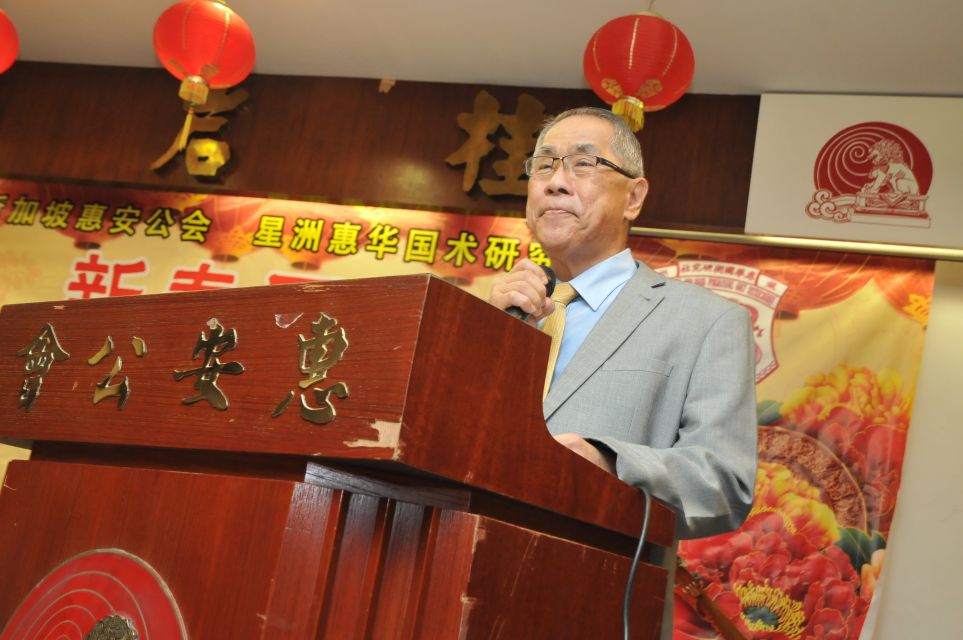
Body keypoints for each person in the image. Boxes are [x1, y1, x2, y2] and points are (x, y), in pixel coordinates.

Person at [489, 107, 757, 542]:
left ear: (634, 197)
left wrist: (609, 463)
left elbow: (724, 484)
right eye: (544, 165)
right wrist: (485, 330)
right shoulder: (498, 307)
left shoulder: (707, 320)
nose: (556, 182)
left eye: (583, 163)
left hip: (592, 571)